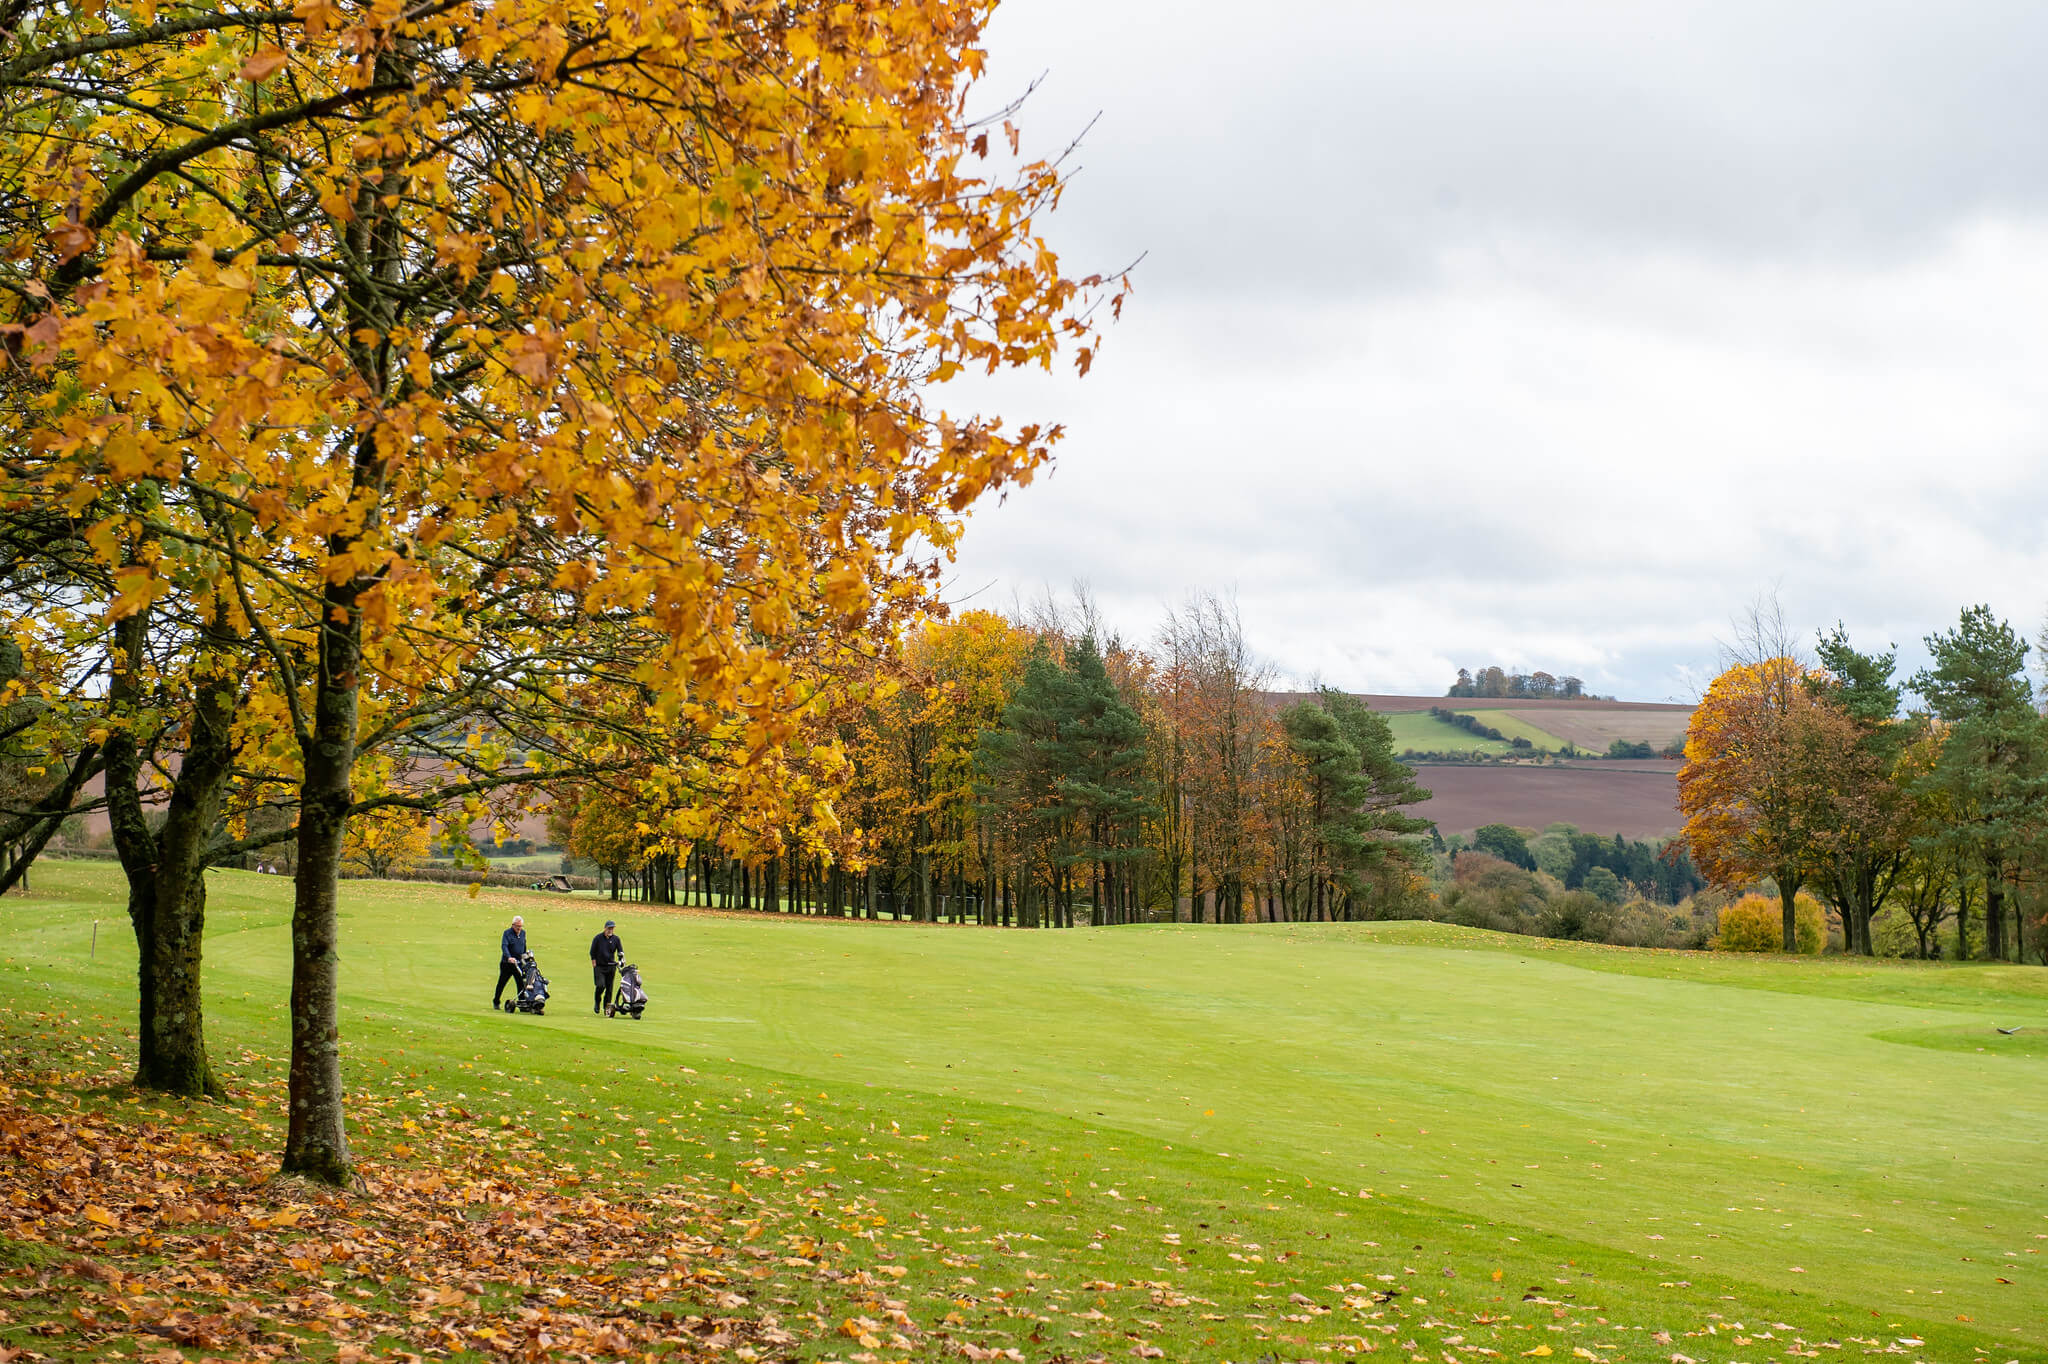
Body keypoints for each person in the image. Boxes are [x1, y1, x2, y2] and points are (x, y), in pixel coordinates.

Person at [590, 919, 624, 1015]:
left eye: (612, 928)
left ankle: (606, 1008)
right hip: (599, 966)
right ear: (605, 928)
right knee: (600, 985)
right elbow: (592, 952)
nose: (610, 930)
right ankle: (597, 1001)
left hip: (611, 966)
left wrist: (621, 960)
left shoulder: (616, 939)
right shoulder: (598, 938)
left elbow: (620, 951)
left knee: (609, 989)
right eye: (609, 928)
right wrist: (594, 963)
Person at [494, 914, 527, 1010]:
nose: (519, 928)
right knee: (502, 983)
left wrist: (525, 957)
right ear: (513, 925)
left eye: (520, 926)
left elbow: (523, 946)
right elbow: (504, 946)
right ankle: (496, 1001)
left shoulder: (523, 933)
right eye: (517, 926)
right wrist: (509, 957)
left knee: (521, 983)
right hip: (507, 964)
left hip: (518, 963)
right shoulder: (507, 933)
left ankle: (522, 1004)